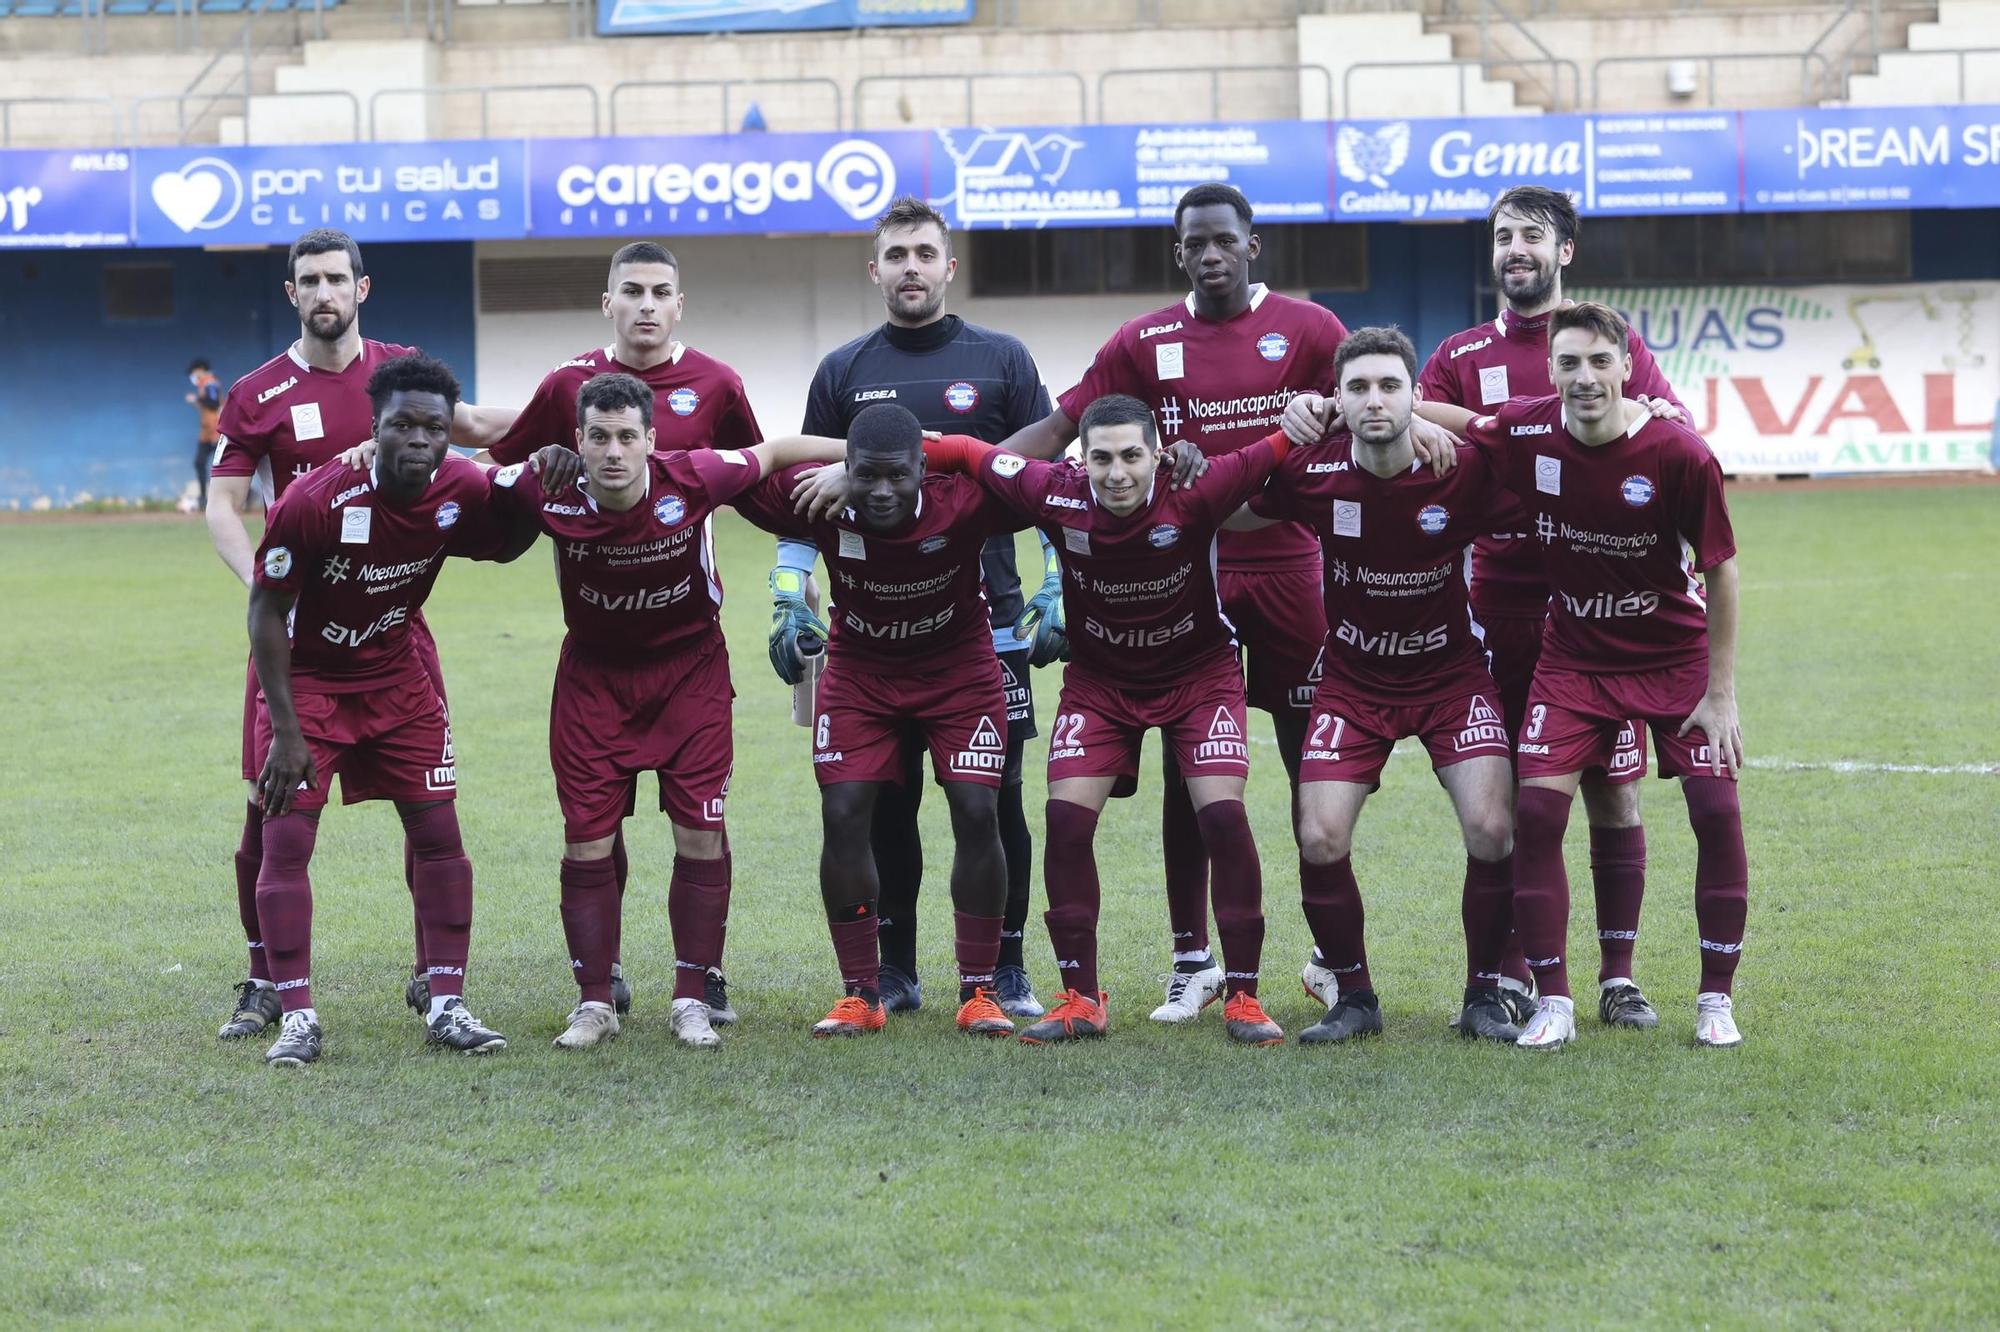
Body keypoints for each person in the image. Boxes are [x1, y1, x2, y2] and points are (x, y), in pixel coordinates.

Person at [1284, 185, 1689, 1031]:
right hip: (1497, 612)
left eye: (1532, 237)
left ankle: (1617, 977)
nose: (1516, 250)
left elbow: (1671, 434)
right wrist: (1405, 417)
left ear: (1564, 251)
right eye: (1503, 237)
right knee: (1514, 809)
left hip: (1596, 609)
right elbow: (1397, 418)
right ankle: (1508, 976)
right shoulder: (1460, 351)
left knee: (1612, 795)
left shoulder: (1611, 344)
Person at [998, 183, 1376, 1026]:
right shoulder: (1144, 340)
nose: (1211, 253)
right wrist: (957, 481)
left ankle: (1325, 957)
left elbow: (1365, 411)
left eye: (1224, 239)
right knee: (1186, 768)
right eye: (1195, 242)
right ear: (1180, 253)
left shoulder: (1312, 330)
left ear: (1253, 244)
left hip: (1287, 570)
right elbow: (1060, 431)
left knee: (1306, 764)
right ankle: (1192, 959)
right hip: (1183, 572)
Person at [208, 229, 518, 1044]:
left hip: (392, 634)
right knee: (266, 811)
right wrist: (266, 592)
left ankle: (436, 979)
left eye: (336, 278)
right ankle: (266, 980)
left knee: (430, 808)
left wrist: (587, 429)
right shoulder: (258, 392)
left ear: (361, 287)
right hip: (295, 640)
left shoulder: (400, 375)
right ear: (292, 294)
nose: (324, 292)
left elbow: (479, 428)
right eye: (308, 280)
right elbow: (223, 503)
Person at [487, 373, 845, 1050]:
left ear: (652, 441)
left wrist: (863, 452)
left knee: (700, 834)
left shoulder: (695, 477)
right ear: (578, 442)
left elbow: (776, 451)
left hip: (691, 675)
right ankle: (594, 1003)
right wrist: (364, 452)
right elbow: (456, 470)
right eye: (599, 437)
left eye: (627, 437)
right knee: (586, 839)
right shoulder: (546, 489)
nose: (614, 451)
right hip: (593, 680)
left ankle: (691, 999)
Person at [774, 196, 1056, 1019]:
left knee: (994, 798)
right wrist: (789, 596)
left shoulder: (1001, 359)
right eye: (895, 254)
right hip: (872, 618)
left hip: (988, 620)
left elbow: (1036, 485)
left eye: (924, 253)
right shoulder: (843, 371)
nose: (910, 267)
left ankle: (1003, 970)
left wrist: (1055, 580)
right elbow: (803, 504)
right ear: (875, 269)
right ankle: (893, 970)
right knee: (882, 804)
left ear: (947, 266)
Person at [477, 238, 762, 1022]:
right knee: (594, 828)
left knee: (699, 822)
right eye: (630, 290)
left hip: (688, 657)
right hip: (597, 662)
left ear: (678, 304)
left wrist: (803, 559)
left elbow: (763, 475)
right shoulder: (567, 384)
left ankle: (699, 980)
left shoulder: (716, 384)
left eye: (658, 291)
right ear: (608, 302)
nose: (644, 304)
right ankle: (599, 990)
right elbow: (501, 468)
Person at [950, 393, 1291, 1047]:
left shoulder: (1199, 485)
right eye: (1101, 458)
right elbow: (968, 453)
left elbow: (1281, 445)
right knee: (1065, 820)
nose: (1117, 473)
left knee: (1222, 815)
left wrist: (1330, 413)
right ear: (1081, 460)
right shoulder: (1055, 490)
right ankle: (1081, 998)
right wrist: (858, 463)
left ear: (1158, 456)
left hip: (1199, 677)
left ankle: (1244, 995)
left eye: (1132, 456)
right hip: (1101, 683)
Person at [1460, 303, 1746, 1049]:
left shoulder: (1680, 453)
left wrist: (1721, 694)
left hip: (1673, 660)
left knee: (1715, 814)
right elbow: (1454, 419)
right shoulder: (1526, 428)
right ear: (1550, 371)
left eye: (1598, 363)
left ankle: (1715, 1000)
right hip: (1575, 661)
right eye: (1568, 364)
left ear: (1627, 368)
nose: (1584, 378)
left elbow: (1721, 570)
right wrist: (1379, 411)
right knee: (1540, 815)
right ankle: (1553, 999)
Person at [1230, 328, 1525, 1044]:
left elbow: (1546, 473)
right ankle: (1354, 998)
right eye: (1358, 387)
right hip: (1354, 682)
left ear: (1416, 396)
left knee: (1492, 828)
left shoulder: (1463, 469)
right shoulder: (1312, 471)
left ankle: (1486, 993)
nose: (1374, 399)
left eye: (1390, 385)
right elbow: (1230, 507)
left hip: (1453, 678)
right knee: (1320, 835)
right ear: (1337, 400)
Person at [245, 352, 539, 1067]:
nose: (417, 440)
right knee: (287, 844)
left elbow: (503, 547)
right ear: (372, 428)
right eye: (401, 425)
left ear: (449, 434)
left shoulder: (459, 486)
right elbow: (264, 614)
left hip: (399, 683)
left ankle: (446, 1004)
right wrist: (284, 731)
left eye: (433, 428)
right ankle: (298, 1017)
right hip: (309, 686)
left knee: (441, 839)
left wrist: (533, 495)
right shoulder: (313, 500)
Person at [737, 403, 1034, 1040]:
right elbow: (730, 473)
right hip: (860, 672)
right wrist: (828, 467)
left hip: (958, 671)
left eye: (897, 476)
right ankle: (860, 992)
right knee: (843, 812)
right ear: (844, 467)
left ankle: (980, 989)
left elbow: (1038, 473)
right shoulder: (816, 499)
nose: (881, 491)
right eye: (865, 476)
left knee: (978, 811)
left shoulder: (966, 499)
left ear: (924, 469)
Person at [186, 358, 222, 512]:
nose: (193, 376)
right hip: (206, 431)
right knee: (199, 462)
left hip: (215, 430)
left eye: (194, 372)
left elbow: (214, 403)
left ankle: (246, 495)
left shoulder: (210, 383)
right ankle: (203, 497)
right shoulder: (203, 385)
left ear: (200, 369)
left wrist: (197, 399)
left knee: (221, 465)